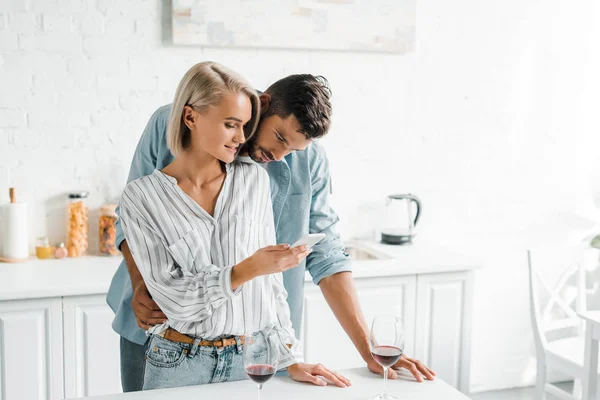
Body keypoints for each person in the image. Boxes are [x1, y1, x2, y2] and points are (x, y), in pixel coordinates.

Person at [107, 63, 435, 392]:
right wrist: (141, 285)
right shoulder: (176, 121)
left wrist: (369, 350)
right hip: (159, 326)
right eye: (278, 137)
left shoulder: (304, 160)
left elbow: (326, 254)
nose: (279, 156)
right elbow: (133, 215)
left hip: (253, 341)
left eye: (291, 149)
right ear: (261, 104)